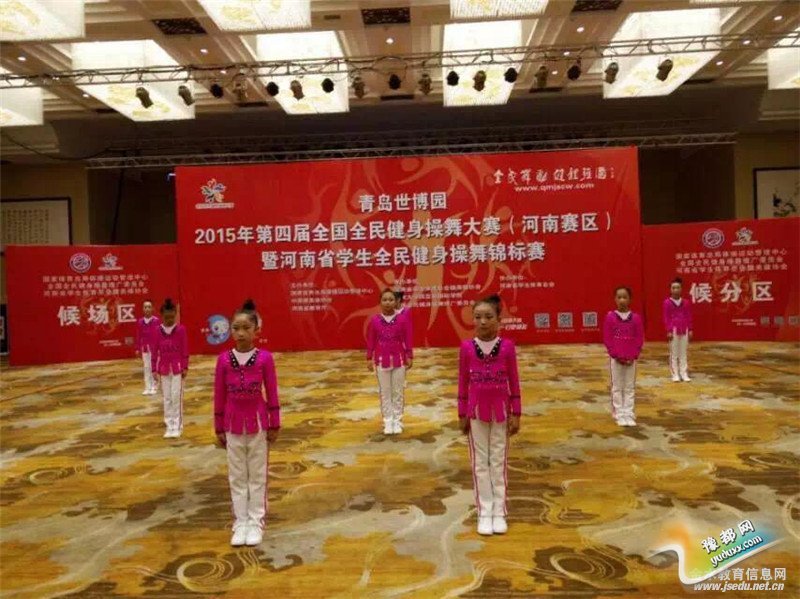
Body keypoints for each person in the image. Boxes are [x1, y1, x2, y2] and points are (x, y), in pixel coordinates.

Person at [214, 299, 280, 547]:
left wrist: (275, 423)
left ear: (256, 330)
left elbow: (272, 391)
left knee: (257, 474)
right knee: (237, 475)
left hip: (258, 423)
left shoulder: (265, 359)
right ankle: (240, 521)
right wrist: (218, 425)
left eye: (246, 328)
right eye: (236, 328)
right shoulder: (223, 360)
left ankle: (256, 521)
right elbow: (219, 394)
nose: (240, 333)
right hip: (232, 424)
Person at [457, 294, 521, 536]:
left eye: (488, 316)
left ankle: (499, 511)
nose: (482, 321)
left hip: (501, 412)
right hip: (475, 412)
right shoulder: (466, 348)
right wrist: (462, 412)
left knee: (498, 460)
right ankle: (484, 511)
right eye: (478, 317)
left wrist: (517, 412)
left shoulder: (507, 347)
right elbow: (463, 382)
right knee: (479, 463)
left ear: (498, 319)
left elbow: (514, 380)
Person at [367, 289, 413, 435]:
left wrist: (409, 355)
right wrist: (369, 357)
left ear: (396, 302)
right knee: (385, 392)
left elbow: (408, 338)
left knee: (397, 391)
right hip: (382, 360)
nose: (388, 302)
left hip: (399, 359)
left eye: (391, 300)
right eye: (385, 300)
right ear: (380, 302)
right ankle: (388, 421)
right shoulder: (375, 320)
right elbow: (371, 340)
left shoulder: (402, 319)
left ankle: (397, 420)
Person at [602, 287, 644, 427]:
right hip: (616, 359)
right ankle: (619, 413)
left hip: (631, 359)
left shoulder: (636, 318)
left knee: (629, 386)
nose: (622, 300)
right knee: (617, 386)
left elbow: (639, 338)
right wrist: (615, 355)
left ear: (630, 299)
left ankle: (629, 413)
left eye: (625, 297)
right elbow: (608, 338)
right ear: (615, 299)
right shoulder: (610, 317)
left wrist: (634, 355)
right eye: (619, 297)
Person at [151, 298, 189, 438]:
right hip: (163, 369)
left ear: (175, 315)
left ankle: (177, 426)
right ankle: (169, 426)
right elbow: (154, 351)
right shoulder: (157, 331)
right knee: (167, 398)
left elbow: (185, 349)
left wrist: (185, 366)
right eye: (166, 317)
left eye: (172, 317)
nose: (169, 320)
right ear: (162, 316)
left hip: (177, 369)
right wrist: (153, 369)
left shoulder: (181, 330)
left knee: (176, 396)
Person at [663, 277, 693, 382]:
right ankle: (675, 374)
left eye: (678, 287)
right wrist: (669, 330)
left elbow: (689, 316)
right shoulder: (667, 303)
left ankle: (684, 373)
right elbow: (666, 318)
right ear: (670, 289)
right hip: (674, 330)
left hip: (684, 329)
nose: (676, 290)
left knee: (683, 352)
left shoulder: (686, 302)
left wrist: (690, 329)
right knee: (674, 353)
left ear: (681, 289)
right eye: (673, 288)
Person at [135, 300, 160, 395]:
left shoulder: (156, 321)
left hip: (154, 348)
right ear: (143, 309)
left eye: (149, 307)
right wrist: (137, 348)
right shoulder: (140, 322)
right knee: (146, 367)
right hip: (145, 348)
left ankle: (154, 386)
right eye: (145, 307)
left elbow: (159, 335)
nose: (147, 309)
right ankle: (147, 387)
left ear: (152, 308)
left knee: (154, 367)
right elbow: (138, 336)